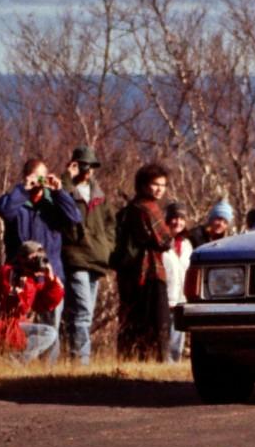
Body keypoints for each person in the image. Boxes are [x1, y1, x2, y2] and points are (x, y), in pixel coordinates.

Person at [0, 158, 81, 363]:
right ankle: (12, 363)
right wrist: (22, 189)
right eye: (33, 176)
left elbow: (75, 218)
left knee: (51, 327)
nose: (37, 182)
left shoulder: (53, 205)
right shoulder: (16, 202)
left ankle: (46, 373)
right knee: (16, 324)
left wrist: (60, 192)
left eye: (41, 177)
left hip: (48, 274)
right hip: (20, 277)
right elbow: (3, 211)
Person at [60, 146, 115, 365]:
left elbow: (111, 224)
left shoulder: (100, 195)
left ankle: (74, 357)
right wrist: (66, 177)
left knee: (86, 313)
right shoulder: (66, 189)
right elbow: (58, 202)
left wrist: (108, 246)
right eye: (83, 164)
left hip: (97, 257)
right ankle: (81, 360)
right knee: (82, 311)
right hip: (76, 257)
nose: (88, 170)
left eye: (91, 166)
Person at [114, 163, 174, 362]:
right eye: (154, 184)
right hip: (150, 271)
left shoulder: (129, 208)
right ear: (143, 185)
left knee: (133, 320)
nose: (159, 189)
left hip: (129, 274)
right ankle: (159, 360)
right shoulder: (148, 208)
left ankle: (129, 357)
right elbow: (165, 240)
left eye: (163, 185)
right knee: (158, 321)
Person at [0, 241, 65, 363]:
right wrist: (19, 288)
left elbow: (44, 304)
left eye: (41, 258)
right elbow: (15, 305)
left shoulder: (31, 281)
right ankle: (15, 362)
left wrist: (51, 280)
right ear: (22, 258)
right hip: (0, 324)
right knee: (50, 333)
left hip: (16, 324)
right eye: (34, 258)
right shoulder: (7, 272)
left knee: (53, 336)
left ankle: (47, 374)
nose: (38, 262)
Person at [161, 202, 192, 362]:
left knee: (178, 338)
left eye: (181, 218)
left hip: (182, 300)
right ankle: (162, 364)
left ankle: (174, 365)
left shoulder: (187, 245)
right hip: (165, 297)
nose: (178, 222)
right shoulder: (161, 243)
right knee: (164, 336)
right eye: (174, 218)